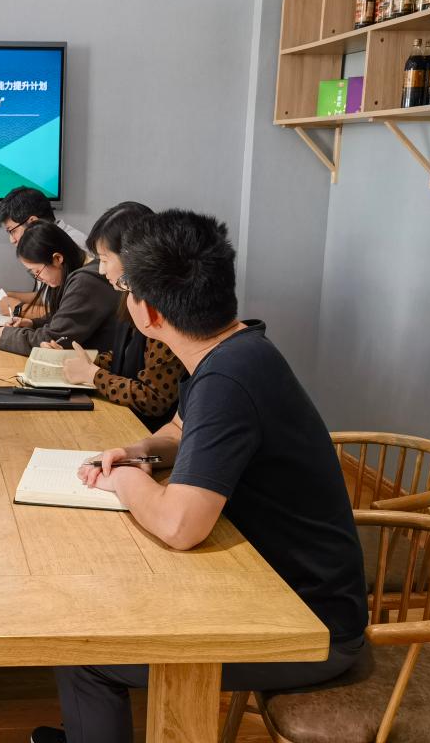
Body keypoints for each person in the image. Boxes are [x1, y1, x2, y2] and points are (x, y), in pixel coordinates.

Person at [32, 211, 367, 743]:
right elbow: (180, 429)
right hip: (279, 586)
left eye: (123, 288)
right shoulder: (237, 347)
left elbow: (180, 526)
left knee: (85, 652)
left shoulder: (227, 379)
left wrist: (125, 480)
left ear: (148, 312)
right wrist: (139, 450)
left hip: (308, 623)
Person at [51, 203, 184, 431]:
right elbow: (129, 355)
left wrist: (93, 375)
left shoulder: (164, 310)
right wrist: (79, 360)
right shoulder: (129, 295)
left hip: (148, 431)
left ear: (132, 256)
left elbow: (154, 399)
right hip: (126, 419)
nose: (101, 270)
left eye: (104, 259)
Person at [0, 220, 121, 356]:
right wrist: (32, 323)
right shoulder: (82, 274)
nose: (38, 278)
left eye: (37, 271)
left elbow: (56, 339)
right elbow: (64, 318)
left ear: (57, 259)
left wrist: (6, 337)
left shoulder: (86, 281)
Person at [0, 186, 88, 318]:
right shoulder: (45, 244)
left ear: (33, 222)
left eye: (12, 231)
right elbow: (46, 298)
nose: (12, 240)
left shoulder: (72, 244)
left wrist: (18, 309)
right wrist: (2, 297)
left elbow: (70, 312)